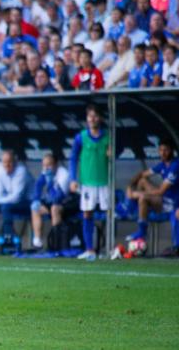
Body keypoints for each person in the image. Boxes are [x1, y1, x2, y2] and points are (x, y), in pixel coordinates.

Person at [125, 139, 179, 255]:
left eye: (166, 150)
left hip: (172, 203)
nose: (163, 153)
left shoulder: (176, 166)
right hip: (163, 199)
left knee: (143, 198)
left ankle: (142, 230)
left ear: (172, 151)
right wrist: (129, 186)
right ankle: (132, 210)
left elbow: (161, 191)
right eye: (160, 150)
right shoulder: (163, 165)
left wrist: (137, 194)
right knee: (141, 181)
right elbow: (142, 173)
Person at [69, 105, 110, 261]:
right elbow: (73, 158)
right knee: (87, 213)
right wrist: (73, 179)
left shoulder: (108, 136)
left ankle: (109, 247)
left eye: (95, 116)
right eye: (90, 116)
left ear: (100, 118)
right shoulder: (81, 137)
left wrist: (113, 152)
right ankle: (89, 249)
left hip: (105, 180)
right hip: (87, 182)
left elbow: (118, 151)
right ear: (86, 119)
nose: (92, 119)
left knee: (109, 213)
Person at [0, 150, 34, 245]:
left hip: (28, 202)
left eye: (9, 162)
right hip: (11, 203)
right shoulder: (2, 173)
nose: (7, 165)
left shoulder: (21, 171)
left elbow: (17, 197)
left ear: (15, 161)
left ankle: (9, 241)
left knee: (5, 207)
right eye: (4, 162)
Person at [30, 154, 70, 249]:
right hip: (55, 203)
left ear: (56, 164)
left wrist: (50, 184)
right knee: (35, 208)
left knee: (54, 208)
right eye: (44, 165)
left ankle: (56, 242)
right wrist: (36, 200)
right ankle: (37, 241)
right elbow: (38, 186)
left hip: (69, 203)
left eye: (49, 165)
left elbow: (59, 197)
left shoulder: (63, 174)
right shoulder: (46, 173)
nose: (46, 168)